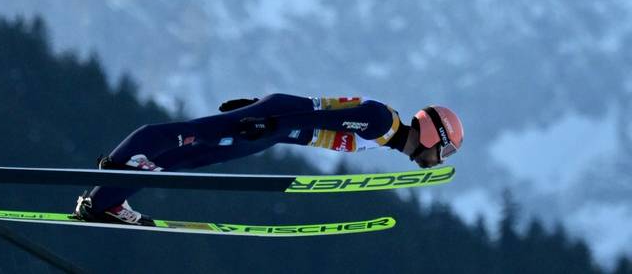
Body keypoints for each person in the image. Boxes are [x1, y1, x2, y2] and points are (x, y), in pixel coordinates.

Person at [73, 94, 464, 226]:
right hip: (271, 125)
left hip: (272, 129)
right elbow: (317, 118)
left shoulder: (384, 133)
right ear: (434, 135)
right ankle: (115, 173)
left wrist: (266, 116)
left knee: (185, 159)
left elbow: (318, 111)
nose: (438, 160)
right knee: (190, 134)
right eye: (444, 152)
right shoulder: (381, 121)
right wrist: (266, 119)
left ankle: (105, 201)